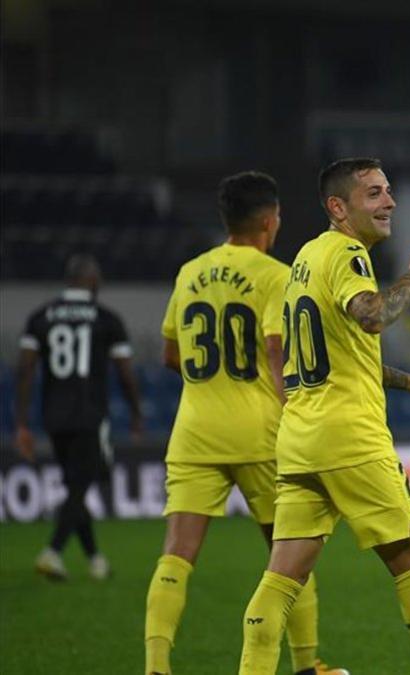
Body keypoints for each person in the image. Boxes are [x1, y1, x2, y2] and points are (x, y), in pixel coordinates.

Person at [237, 158, 410, 674]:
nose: (389, 202)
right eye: (374, 194)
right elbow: (372, 316)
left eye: (388, 191)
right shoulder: (347, 254)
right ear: (339, 207)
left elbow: (340, 351)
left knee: (281, 578)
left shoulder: (307, 257)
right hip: (349, 439)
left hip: (300, 440)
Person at [143, 172, 346, 675]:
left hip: (194, 431)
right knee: (291, 551)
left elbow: (171, 353)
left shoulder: (190, 271)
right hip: (260, 432)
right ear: (270, 221)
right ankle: (306, 665)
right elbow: (278, 351)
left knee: (177, 554)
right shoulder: (275, 275)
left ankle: (155, 666)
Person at [15, 253, 143, 582]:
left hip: (54, 416)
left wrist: (22, 423)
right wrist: (136, 413)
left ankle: (95, 559)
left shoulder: (41, 317)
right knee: (83, 483)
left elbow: (26, 370)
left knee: (75, 485)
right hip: (90, 414)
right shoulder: (105, 319)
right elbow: (125, 373)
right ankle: (53, 552)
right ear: (90, 280)